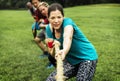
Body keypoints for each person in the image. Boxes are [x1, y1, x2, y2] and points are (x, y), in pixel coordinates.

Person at [45, 3, 98, 81]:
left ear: (63, 17)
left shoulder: (68, 22)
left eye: (59, 17)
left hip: (87, 57)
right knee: (50, 80)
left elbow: (68, 37)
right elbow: (50, 50)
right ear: (48, 18)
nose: (56, 21)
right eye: (52, 18)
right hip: (71, 61)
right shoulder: (49, 30)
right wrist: (54, 52)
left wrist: (64, 51)